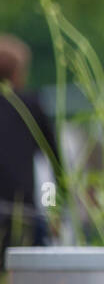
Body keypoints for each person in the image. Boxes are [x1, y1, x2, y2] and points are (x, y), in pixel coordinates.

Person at [0, 34, 61, 268]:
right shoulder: (31, 105)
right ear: (18, 73)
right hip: (24, 213)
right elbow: (56, 163)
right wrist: (55, 209)